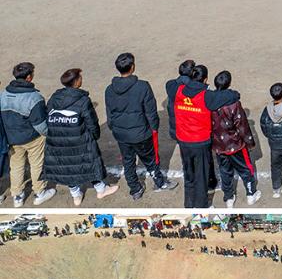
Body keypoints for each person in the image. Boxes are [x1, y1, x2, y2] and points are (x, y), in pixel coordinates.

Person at [105, 52, 178, 200]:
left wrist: (116, 129)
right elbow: (151, 112)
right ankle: (159, 182)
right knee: (150, 159)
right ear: (132, 67)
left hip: (121, 134)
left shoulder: (109, 89)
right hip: (141, 134)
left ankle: (135, 189)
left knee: (128, 162)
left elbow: (110, 115)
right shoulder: (142, 86)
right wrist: (154, 128)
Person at [43, 68, 119, 207]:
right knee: (90, 164)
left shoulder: (54, 98)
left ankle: (76, 195)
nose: (81, 79)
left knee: (68, 167)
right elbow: (91, 121)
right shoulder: (83, 100)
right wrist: (94, 136)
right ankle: (101, 190)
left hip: (59, 141)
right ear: (76, 81)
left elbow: (48, 117)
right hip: (80, 140)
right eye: (80, 77)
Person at [169, 63, 236, 209]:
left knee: (189, 174)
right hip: (200, 142)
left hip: (183, 141)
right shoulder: (207, 96)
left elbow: (170, 83)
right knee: (201, 175)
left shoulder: (177, 90)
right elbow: (233, 95)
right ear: (205, 79)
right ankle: (202, 205)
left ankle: (189, 204)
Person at [0, 62, 55, 207]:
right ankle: (39, 193)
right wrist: (49, 135)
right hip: (32, 138)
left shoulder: (3, 95)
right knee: (37, 164)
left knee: (16, 166)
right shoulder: (34, 98)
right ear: (29, 77)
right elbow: (40, 125)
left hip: (12, 139)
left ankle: (17, 196)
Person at [210, 70, 261, 208]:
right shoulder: (234, 104)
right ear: (229, 83)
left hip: (219, 146)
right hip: (236, 144)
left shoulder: (209, 102)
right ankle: (251, 194)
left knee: (225, 172)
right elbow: (242, 125)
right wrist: (250, 142)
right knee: (246, 169)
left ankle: (228, 198)